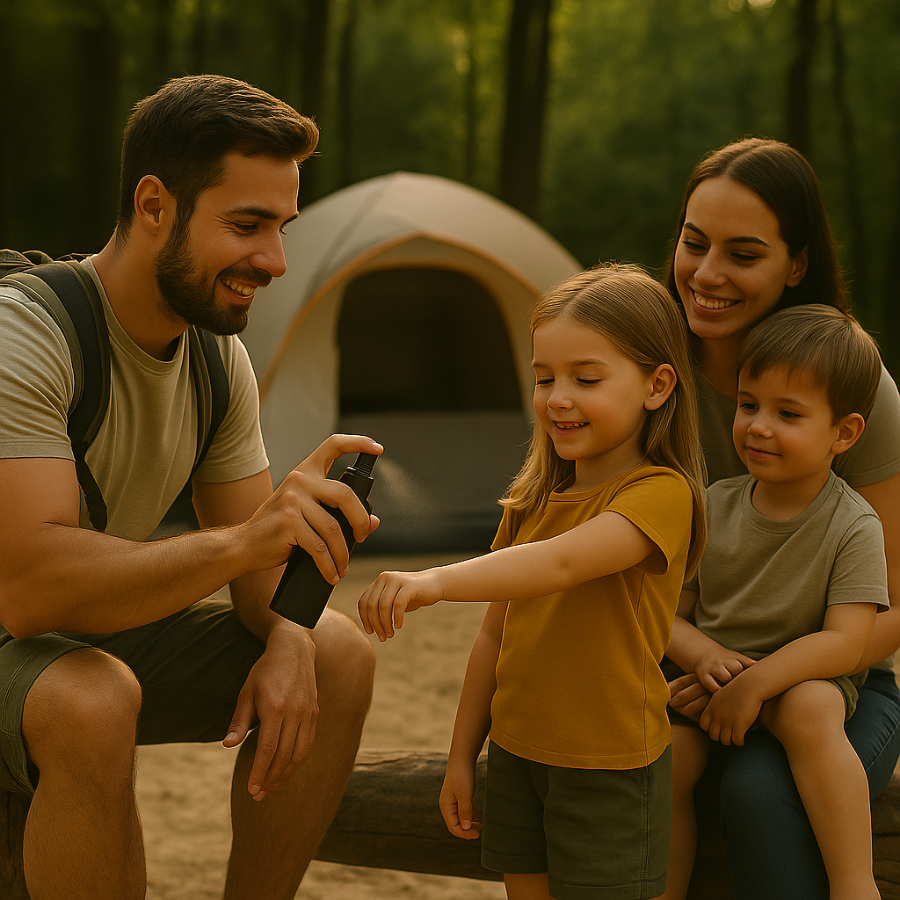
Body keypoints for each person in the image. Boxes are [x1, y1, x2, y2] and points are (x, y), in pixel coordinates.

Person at [0, 74, 382, 900]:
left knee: (335, 651)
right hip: (23, 629)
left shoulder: (216, 357)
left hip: (79, 636)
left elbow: (256, 574)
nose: (274, 261)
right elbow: (28, 590)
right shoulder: (27, 331)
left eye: (281, 227)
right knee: (93, 698)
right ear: (154, 205)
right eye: (247, 226)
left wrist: (284, 636)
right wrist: (252, 539)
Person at [358, 264, 707, 900]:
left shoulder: (660, 494)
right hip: (518, 758)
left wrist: (432, 581)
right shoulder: (534, 501)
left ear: (657, 386)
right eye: (544, 377)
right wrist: (464, 754)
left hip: (610, 770)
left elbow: (566, 562)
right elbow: (496, 635)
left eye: (587, 378)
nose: (558, 397)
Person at [665, 137, 900, 899]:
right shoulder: (646, 372)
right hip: (691, 666)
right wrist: (704, 660)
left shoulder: (856, 391)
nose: (706, 274)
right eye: (694, 243)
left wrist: (764, 679)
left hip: (830, 684)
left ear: (797, 265)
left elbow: (888, 604)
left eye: (743, 253)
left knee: (760, 795)